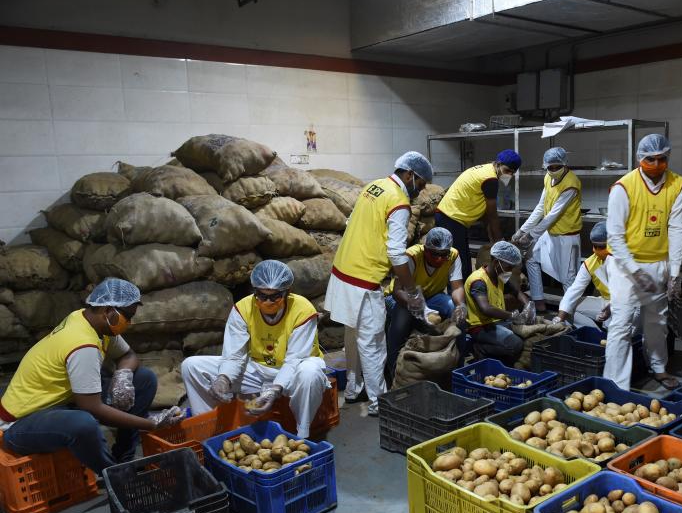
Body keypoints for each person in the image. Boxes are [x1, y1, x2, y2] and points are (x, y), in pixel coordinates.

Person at [0, 278, 180, 475]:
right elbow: (93, 408)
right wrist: (151, 424)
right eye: (127, 316)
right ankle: (115, 475)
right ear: (108, 311)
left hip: (61, 402)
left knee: (144, 379)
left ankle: (124, 457)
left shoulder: (89, 320)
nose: (129, 322)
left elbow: (128, 356)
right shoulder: (82, 344)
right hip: (21, 423)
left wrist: (123, 375)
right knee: (84, 424)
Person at [325, 151, 434, 416]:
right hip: (364, 278)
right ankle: (379, 402)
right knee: (373, 344)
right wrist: (412, 289)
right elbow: (396, 252)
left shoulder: (374, 186)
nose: (419, 193)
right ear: (410, 175)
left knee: (352, 337)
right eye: (419, 185)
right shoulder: (398, 203)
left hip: (343, 271)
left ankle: (352, 389)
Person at [181, 260, 330, 437]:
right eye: (261, 295)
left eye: (274, 296)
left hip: (292, 372)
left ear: (287, 292)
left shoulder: (303, 310)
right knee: (191, 366)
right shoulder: (243, 308)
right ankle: (208, 429)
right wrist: (223, 379)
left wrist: (274, 390)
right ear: (254, 292)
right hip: (258, 369)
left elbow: (294, 360)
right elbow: (234, 356)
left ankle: (302, 434)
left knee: (310, 373)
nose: (267, 301)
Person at [603, 134, 682, 390]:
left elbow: (677, 229)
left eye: (662, 159)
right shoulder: (623, 187)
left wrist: (674, 272)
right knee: (622, 322)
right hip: (624, 265)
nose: (656, 164)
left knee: (657, 321)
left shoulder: (678, 185)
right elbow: (615, 237)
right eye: (650, 159)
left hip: (658, 261)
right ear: (640, 159)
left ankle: (658, 367)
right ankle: (615, 383)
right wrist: (635, 271)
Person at [384, 226, 468, 383]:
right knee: (400, 322)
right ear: (426, 249)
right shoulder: (412, 257)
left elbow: (457, 288)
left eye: (443, 255)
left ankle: (458, 370)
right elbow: (397, 291)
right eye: (434, 254)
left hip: (432, 296)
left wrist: (460, 305)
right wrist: (416, 305)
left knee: (455, 311)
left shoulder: (453, 256)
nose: (439, 259)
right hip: (402, 298)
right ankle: (394, 372)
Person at [513, 147, 582, 313]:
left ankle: (569, 315)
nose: (552, 170)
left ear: (565, 164)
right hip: (550, 232)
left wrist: (531, 235)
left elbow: (553, 215)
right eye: (549, 167)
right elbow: (540, 207)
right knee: (531, 257)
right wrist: (522, 230)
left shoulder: (571, 184)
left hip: (566, 236)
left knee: (568, 278)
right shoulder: (548, 178)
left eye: (556, 167)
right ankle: (539, 302)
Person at [436, 149, 522, 275]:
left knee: (463, 260)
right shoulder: (490, 179)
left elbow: (486, 214)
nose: (509, 175)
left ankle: (462, 290)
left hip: (451, 217)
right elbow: (492, 215)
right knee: (459, 264)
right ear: (498, 164)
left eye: (512, 173)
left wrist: (493, 238)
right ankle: (458, 293)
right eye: (507, 170)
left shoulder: (486, 169)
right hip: (451, 219)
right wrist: (500, 244)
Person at [464, 241, 535, 366]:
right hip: (481, 327)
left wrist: (528, 305)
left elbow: (516, 292)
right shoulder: (478, 281)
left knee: (528, 337)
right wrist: (512, 315)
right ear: (497, 262)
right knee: (516, 344)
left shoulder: (499, 276)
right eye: (508, 267)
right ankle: (481, 349)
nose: (511, 271)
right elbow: (486, 308)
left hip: (498, 322)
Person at [553, 222, 615, 329]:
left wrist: (611, 308)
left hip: (627, 305)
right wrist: (559, 318)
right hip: (605, 301)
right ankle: (595, 336)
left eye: (602, 247)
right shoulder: (589, 263)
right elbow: (574, 290)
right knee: (572, 305)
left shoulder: (623, 259)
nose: (597, 251)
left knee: (617, 329)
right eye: (595, 246)